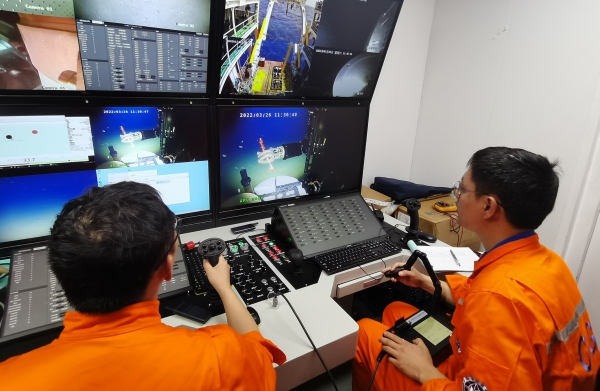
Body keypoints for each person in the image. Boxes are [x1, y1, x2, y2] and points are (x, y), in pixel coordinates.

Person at [353, 147, 600, 391]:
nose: (456, 196)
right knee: (395, 311)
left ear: (488, 207)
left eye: (462, 189)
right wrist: (425, 282)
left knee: (364, 332)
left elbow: (492, 303)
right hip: (498, 370)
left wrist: (424, 371)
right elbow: (477, 298)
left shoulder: (499, 298)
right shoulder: (548, 261)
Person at [0, 181, 286, 390]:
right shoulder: (220, 357)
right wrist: (224, 288)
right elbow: (260, 355)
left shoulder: (9, 377)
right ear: (167, 267)